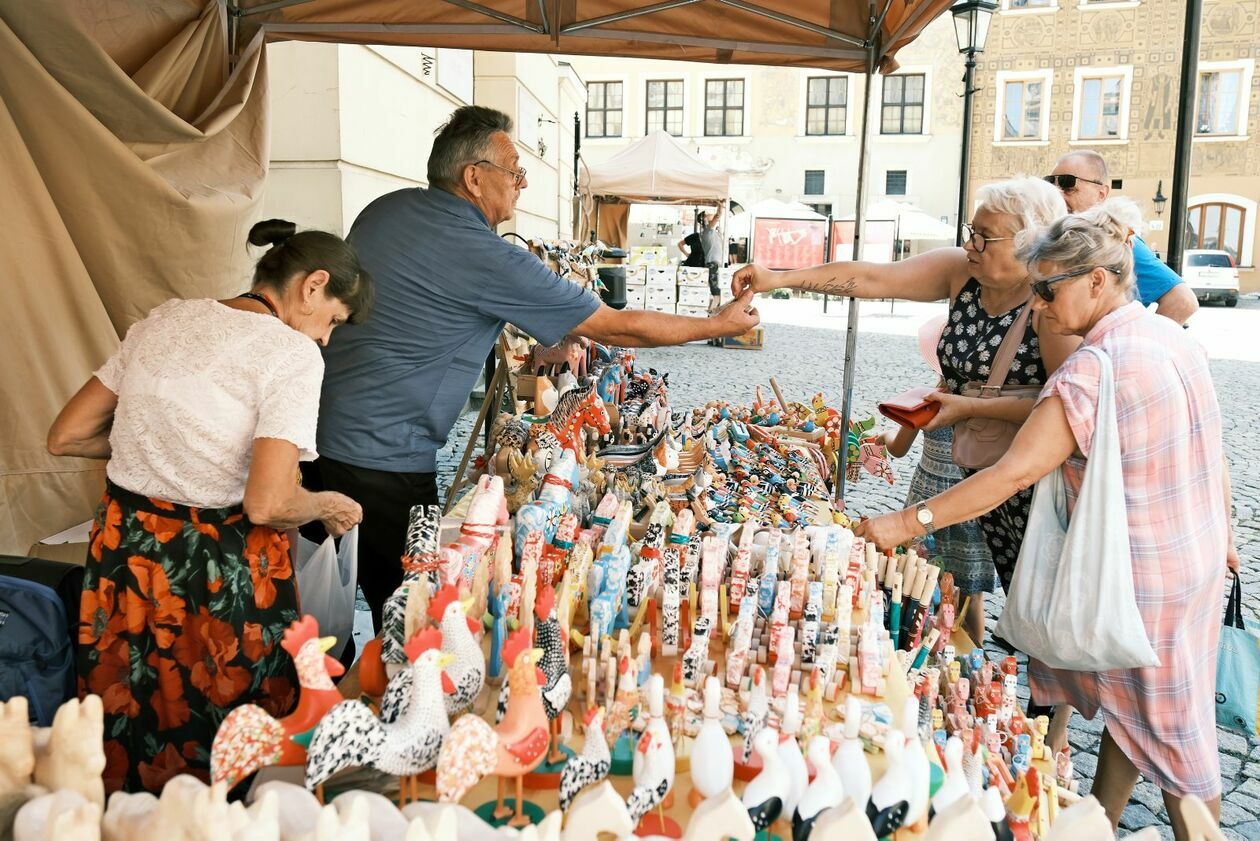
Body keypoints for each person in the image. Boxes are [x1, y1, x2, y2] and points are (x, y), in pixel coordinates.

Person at [853, 199, 1237, 841]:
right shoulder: (1166, 336)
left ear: (1098, 281)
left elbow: (1010, 475)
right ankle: (1102, 821)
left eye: (1049, 290)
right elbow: (1214, 449)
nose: (1038, 307)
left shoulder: (1093, 368)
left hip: (1141, 582)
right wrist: (1224, 533)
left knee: (1182, 750)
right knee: (1143, 717)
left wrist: (901, 524)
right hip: (1191, 563)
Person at [315, 106, 759, 630]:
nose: (523, 183)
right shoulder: (486, 254)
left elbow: (421, 309)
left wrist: (546, 334)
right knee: (416, 625)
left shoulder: (384, 210)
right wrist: (718, 325)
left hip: (316, 435)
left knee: (320, 604)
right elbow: (616, 327)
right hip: (384, 460)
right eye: (514, 171)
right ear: (473, 178)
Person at [46, 220, 372, 793]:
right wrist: (324, 503)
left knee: (130, 705)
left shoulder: (166, 319)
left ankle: (127, 822)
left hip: (125, 553)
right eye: (333, 322)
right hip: (216, 569)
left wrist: (157, 444)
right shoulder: (290, 354)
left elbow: (66, 435)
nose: (324, 338)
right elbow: (269, 503)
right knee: (227, 728)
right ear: (313, 286)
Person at [733, 177, 1080, 614]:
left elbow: (1067, 406)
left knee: (1034, 605)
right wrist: (777, 278)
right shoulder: (963, 272)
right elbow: (871, 277)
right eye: (969, 231)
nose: (970, 243)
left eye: (984, 237)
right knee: (934, 589)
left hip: (1021, 480)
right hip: (951, 459)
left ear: (1028, 244)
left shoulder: (1051, 304)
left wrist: (970, 406)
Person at [881, 315, 996, 641]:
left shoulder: (927, 401)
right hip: (970, 501)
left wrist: (885, 437)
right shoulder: (988, 404)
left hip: (927, 501)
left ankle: (923, 652)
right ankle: (974, 659)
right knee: (971, 595)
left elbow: (899, 448)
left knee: (919, 583)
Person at [1046, 151, 1198, 325]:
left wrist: (1137, 344)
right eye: (1051, 184)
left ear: (1101, 193)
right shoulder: (1056, 236)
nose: (1058, 194)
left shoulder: (1116, 239)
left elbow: (1183, 301)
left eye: (1068, 184)